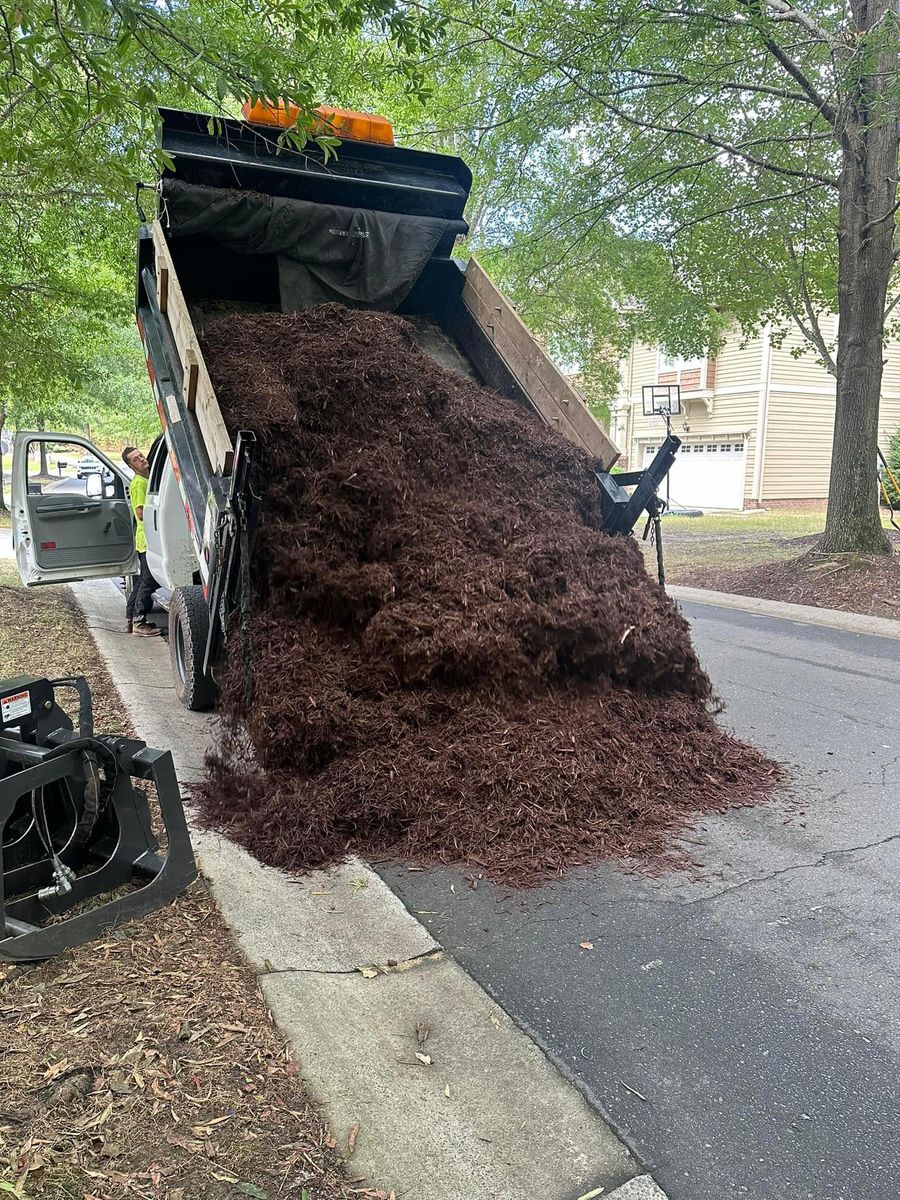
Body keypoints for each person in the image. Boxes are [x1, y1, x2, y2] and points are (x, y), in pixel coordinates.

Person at [122, 446, 161, 636]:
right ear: (131, 465)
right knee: (149, 580)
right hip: (146, 538)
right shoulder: (139, 484)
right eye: (136, 459)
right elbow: (140, 512)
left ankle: (130, 618)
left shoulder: (147, 479)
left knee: (140, 582)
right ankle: (139, 621)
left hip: (146, 538)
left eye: (141, 455)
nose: (142, 459)